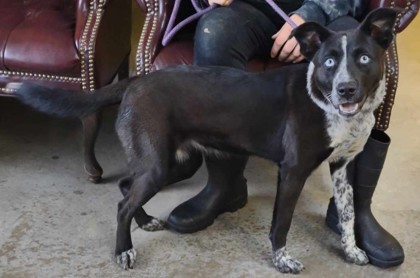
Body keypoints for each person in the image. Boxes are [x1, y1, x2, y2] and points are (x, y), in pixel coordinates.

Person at [165, 0, 405, 268]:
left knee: (356, 45)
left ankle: (352, 210)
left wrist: (310, 14)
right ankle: (225, 186)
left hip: (330, 14)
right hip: (251, 11)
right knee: (215, 34)